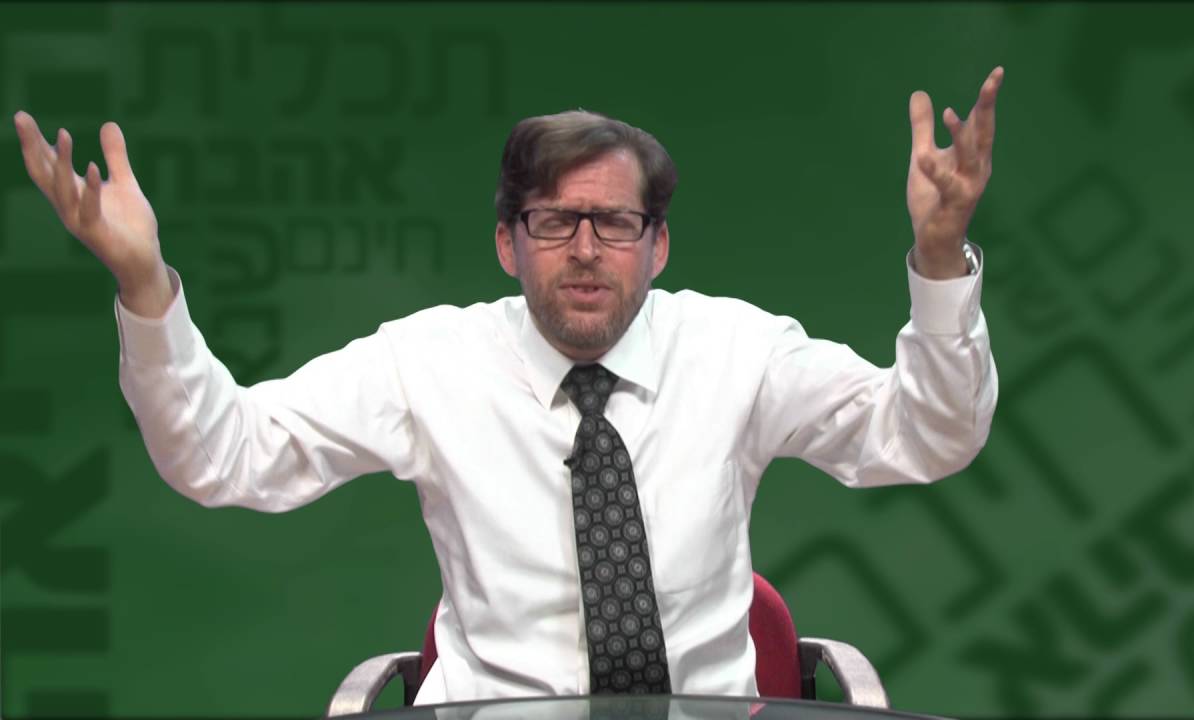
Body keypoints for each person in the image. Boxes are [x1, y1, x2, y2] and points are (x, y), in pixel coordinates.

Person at [13, 66, 1003, 704]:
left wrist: (937, 256)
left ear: (657, 246)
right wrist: (143, 284)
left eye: (615, 223)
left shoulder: (737, 350)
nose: (586, 250)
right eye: (553, 221)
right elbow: (222, 456)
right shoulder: (428, 362)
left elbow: (925, 436)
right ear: (506, 243)